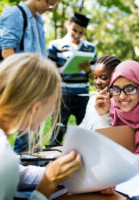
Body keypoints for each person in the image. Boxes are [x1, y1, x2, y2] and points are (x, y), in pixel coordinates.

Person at [0, 53, 82, 200]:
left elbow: (14, 172)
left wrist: (51, 172)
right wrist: (47, 184)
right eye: (52, 104)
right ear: (35, 108)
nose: (50, 114)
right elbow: (2, 167)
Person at [0, 0, 60, 152]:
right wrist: (26, 84)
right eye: (50, 3)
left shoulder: (38, 19)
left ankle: (32, 166)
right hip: (25, 85)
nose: (51, 9)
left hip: (39, 86)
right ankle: (19, 169)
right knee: (25, 136)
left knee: (34, 136)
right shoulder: (14, 14)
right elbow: (7, 53)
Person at [95, 60, 139, 168]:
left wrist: (115, 168)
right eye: (116, 89)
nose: (122, 96)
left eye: (130, 89)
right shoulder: (113, 107)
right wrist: (104, 115)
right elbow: (107, 147)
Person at [48, 13, 97, 146]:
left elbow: (94, 77)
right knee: (56, 132)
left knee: (85, 129)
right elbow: (49, 72)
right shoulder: (55, 45)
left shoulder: (90, 48)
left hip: (82, 95)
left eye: (81, 32)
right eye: (74, 30)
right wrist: (63, 68)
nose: (76, 34)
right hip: (62, 95)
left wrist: (88, 70)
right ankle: (52, 161)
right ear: (68, 25)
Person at [79, 55, 121, 131]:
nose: (97, 82)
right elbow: (85, 123)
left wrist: (105, 114)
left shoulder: (121, 104)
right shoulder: (93, 99)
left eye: (103, 78)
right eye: (95, 77)